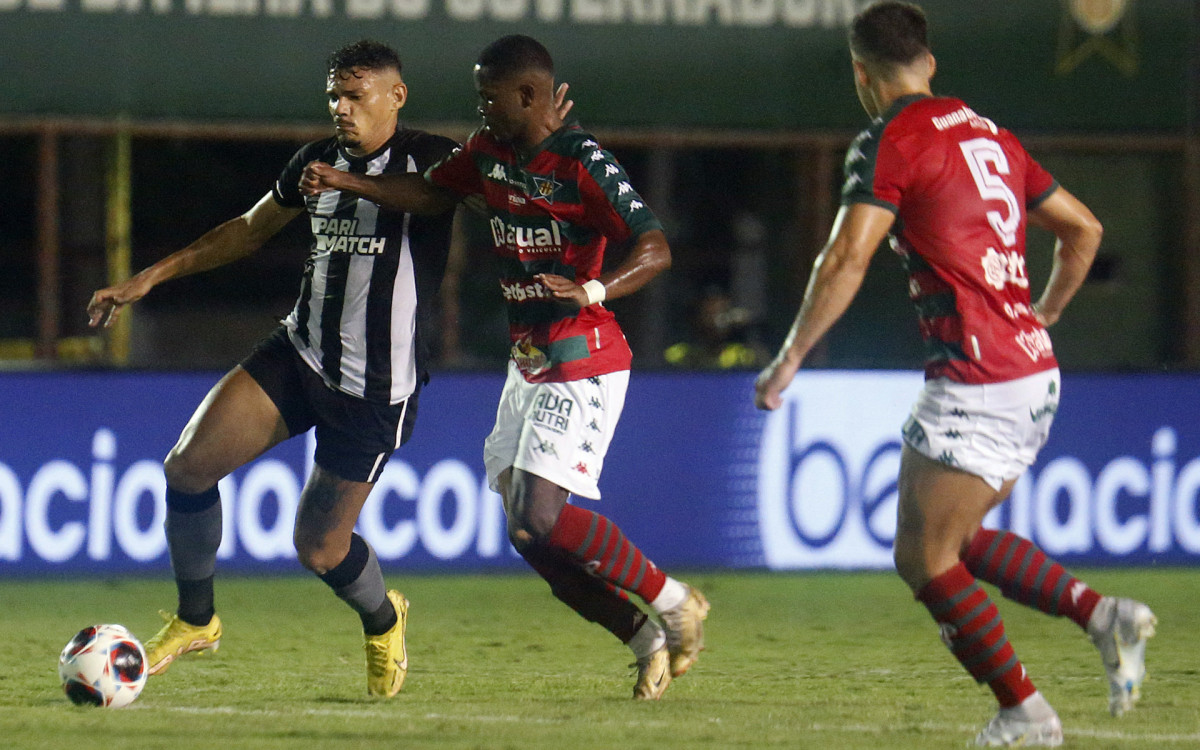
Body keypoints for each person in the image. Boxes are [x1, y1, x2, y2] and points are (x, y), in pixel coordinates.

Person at [753, 3, 1154, 745]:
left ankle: (1025, 711)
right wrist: (1048, 310)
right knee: (961, 540)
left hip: (977, 377)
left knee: (922, 556)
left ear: (860, 74)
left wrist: (789, 359)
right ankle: (1105, 616)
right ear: (930, 62)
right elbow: (1084, 230)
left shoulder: (890, 140)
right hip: (1032, 370)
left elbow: (846, 257)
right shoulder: (993, 137)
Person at [300, 34, 710, 701]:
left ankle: (674, 600)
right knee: (527, 536)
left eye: (491, 97)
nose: (480, 107)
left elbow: (655, 247)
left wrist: (594, 289)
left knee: (543, 517)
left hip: (586, 355)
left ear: (529, 95)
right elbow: (430, 192)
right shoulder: (490, 153)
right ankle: (644, 638)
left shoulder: (582, 162)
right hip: (529, 364)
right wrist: (349, 180)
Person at [85, 40, 466, 699]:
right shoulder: (314, 161)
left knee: (319, 550)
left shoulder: (432, 159)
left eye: (356, 96)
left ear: (395, 97)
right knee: (187, 466)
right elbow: (248, 228)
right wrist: (152, 276)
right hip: (299, 352)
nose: (342, 109)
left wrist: (349, 183)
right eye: (334, 97)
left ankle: (384, 618)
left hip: (376, 385)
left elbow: (430, 201)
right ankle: (196, 619)